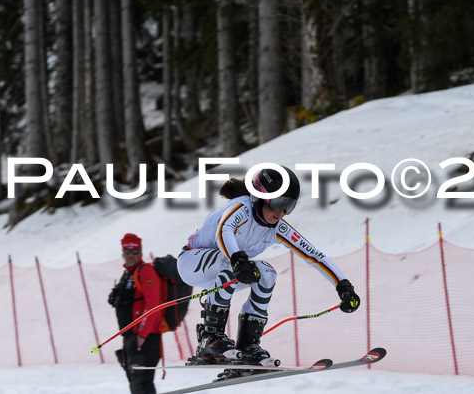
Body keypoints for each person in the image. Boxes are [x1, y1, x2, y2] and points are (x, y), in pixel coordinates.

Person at [177, 166, 361, 366]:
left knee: (267, 273)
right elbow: (224, 230)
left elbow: (313, 255)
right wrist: (238, 260)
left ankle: (248, 345)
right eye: (277, 203)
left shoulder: (276, 227)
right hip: (192, 262)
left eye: (288, 206)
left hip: (229, 272)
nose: (281, 212)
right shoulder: (242, 207)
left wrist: (343, 286)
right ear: (260, 197)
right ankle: (210, 337)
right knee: (229, 261)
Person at [108, 233, 163, 394]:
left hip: (145, 338)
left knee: (142, 383)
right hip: (131, 337)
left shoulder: (145, 271)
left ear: (140, 251)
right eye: (127, 251)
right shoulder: (128, 274)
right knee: (135, 383)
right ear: (122, 253)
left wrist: (142, 335)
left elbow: (154, 305)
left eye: (134, 251)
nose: (131, 255)